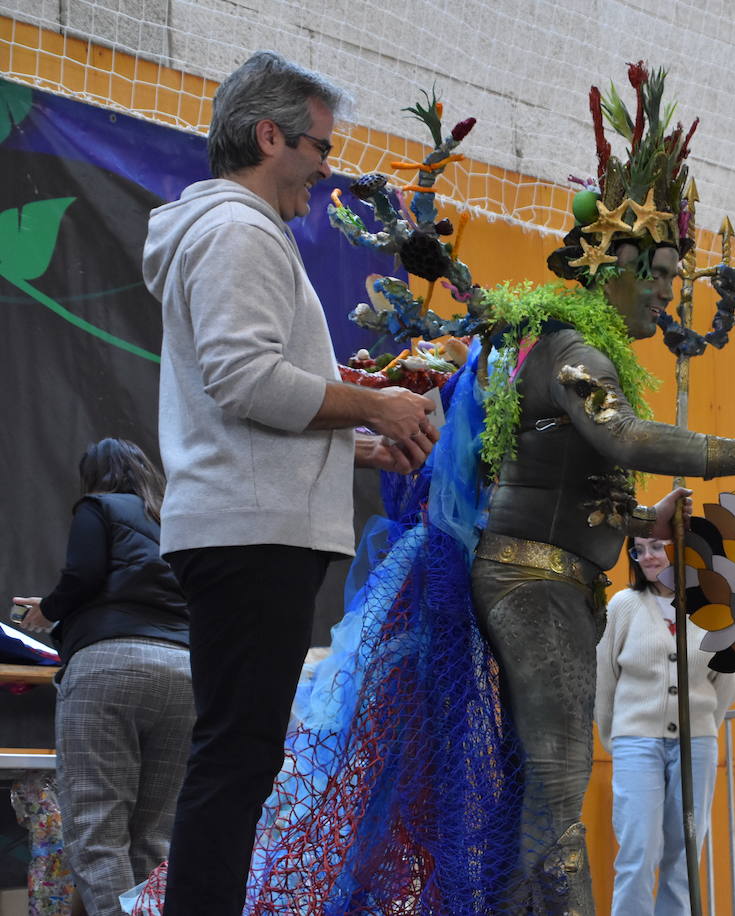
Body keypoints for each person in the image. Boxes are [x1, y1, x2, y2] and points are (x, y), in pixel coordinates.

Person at [469, 62, 735, 912]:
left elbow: (577, 473)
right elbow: (623, 435)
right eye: (661, 270)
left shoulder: (586, 354)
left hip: (558, 579)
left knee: (546, 781)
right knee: (557, 784)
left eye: (677, 273)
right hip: (533, 581)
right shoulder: (574, 352)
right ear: (611, 264)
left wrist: (639, 514)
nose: (672, 290)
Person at [141, 50, 438, 915]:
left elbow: (243, 406)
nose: (325, 169)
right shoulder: (239, 232)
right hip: (250, 533)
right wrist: (375, 405)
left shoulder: (229, 230)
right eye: (317, 147)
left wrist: (353, 441)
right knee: (236, 760)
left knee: (240, 757)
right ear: (269, 136)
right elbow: (247, 381)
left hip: (247, 522)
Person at [12, 438, 193, 916]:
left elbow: (85, 575)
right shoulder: (178, 517)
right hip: (186, 670)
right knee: (154, 836)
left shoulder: (99, 506)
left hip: (109, 666)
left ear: (93, 477)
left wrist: (47, 611)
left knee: (98, 831)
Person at [595, 536, 735, 915]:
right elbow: (604, 680)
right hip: (634, 740)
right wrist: (617, 737)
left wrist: (703, 726)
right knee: (638, 849)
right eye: (638, 550)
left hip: (697, 743)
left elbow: (725, 681)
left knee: (686, 851)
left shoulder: (710, 608)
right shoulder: (623, 606)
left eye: (656, 546)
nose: (648, 557)